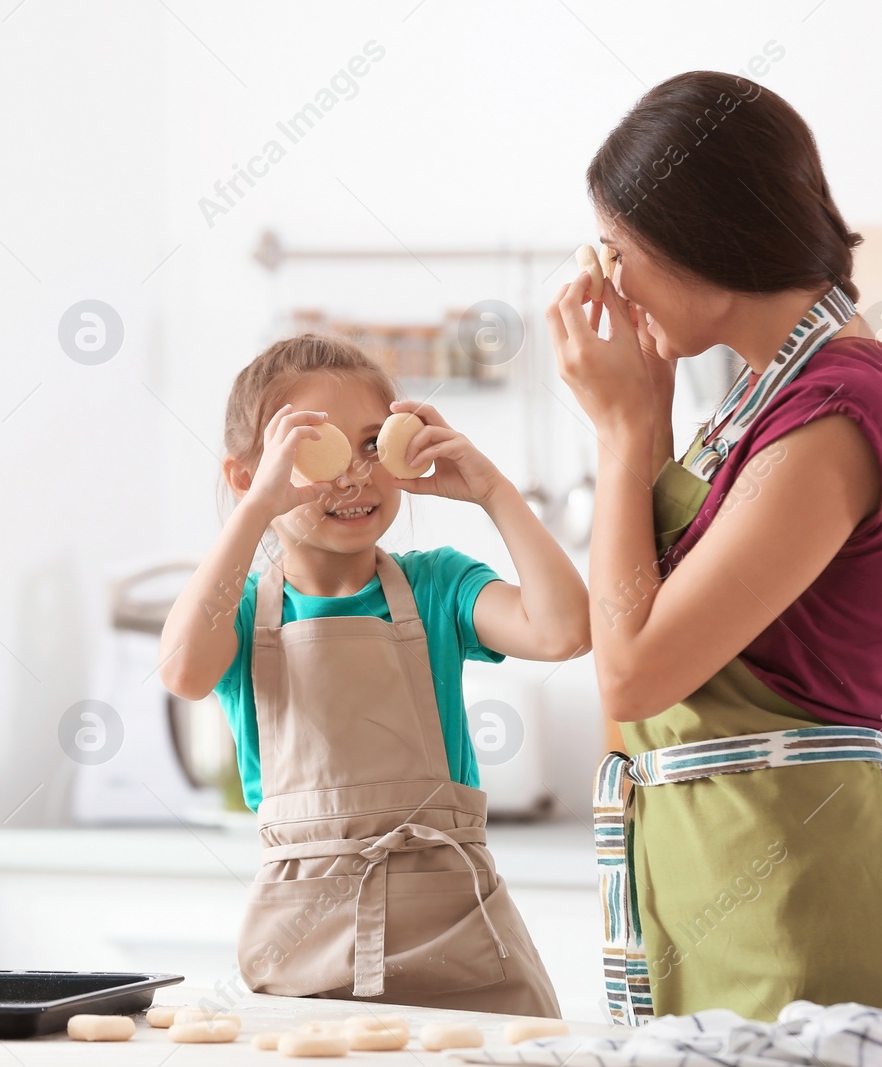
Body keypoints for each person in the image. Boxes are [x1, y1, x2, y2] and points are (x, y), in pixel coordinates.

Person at [548, 71, 882, 1054]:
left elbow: (633, 666)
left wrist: (623, 437)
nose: (606, 284)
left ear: (699, 240)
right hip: (746, 896)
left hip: (830, 909)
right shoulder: (754, 406)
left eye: (617, 252)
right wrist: (647, 423)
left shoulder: (833, 412)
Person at [159, 333, 588, 1015]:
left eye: (370, 443)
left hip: (463, 951)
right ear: (251, 474)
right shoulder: (238, 616)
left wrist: (491, 488)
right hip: (306, 958)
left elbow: (567, 629)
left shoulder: (439, 585)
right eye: (313, 450)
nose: (353, 474)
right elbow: (182, 669)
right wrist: (255, 509)